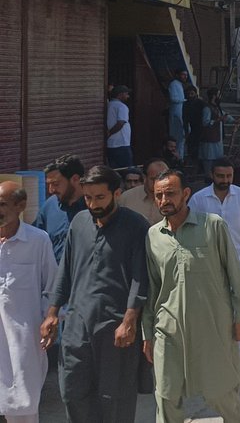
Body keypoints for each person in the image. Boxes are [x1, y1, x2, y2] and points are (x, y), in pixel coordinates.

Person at [41, 166, 149, 422]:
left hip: (115, 328)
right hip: (77, 326)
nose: (93, 204)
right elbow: (65, 271)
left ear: (117, 194)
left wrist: (129, 320)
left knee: (114, 398)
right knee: (72, 392)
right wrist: (52, 313)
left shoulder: (135, 226)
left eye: (100, 197)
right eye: (88, 197)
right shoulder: (79, 223)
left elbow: (140, 278)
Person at [143, 169, 240, 422]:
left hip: (212, 325)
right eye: (159, 195)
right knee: (166, 396)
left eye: (170, 193)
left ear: (186, 194)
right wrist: (148, 333)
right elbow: (152, 288)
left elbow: (234, 274)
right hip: (168, 330)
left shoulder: (213, 225)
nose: (164, 200)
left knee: (222, 394)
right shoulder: (153, 236)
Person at [189, 158, 240, 355]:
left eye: (229, 176)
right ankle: (218, 350)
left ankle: (239, 353)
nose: (225, 180)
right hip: (210, 261)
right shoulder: (198, 199)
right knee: (216, 304)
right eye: (221, 176)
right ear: (212, 175)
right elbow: (192, 231)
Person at [0, 181, 57, 423]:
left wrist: (50, 321)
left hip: (23, 341)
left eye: (2, 204)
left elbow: (52, 287)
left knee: (23, 404)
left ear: (21, 206)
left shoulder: (38, 240)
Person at [34, 154, 87, 262]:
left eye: (55, 184)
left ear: (75, 179)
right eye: (49, 184)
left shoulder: (94, 208)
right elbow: (36, 240)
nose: (51, 190)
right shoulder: (49, 206)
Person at [119, 159, 169, 225]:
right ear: (145, 178)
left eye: (164, 179)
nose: (159, 182)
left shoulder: (174, 198)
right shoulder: (126, 198)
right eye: (154, 179)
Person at [105, 85, 133, 169]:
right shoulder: (122, 106)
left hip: (111, 144)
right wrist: (110, 132)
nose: (128, 96)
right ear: (120, 94)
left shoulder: (109, 105)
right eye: (126, 94)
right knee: (127, 169)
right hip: (121, 143)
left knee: (115, 169)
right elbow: (121, 123)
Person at [168, 70, 188, 159]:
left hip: (181, 113)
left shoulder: (180, 85)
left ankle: (181, 157)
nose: (185, 77)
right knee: (176, 137)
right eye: (183, 74)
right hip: (176, 113)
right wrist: (183, 100)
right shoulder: (173, 84)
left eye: (186, 75)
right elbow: (173, 98)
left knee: (182, 138)